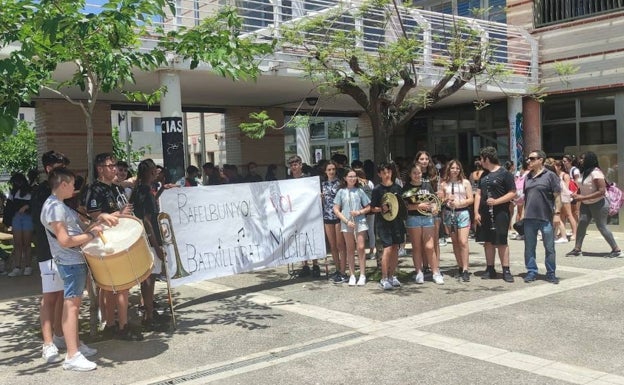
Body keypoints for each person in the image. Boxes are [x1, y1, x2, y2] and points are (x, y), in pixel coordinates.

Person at [41, 167, 118, 371]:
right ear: (64, 184)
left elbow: (77, 229)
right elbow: (65, 240)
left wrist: (97, 221)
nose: (75, 188)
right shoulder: (54, 207)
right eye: (73, 184)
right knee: (72, 307)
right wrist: (92, 236)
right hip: (70, 261)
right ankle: (72, 355)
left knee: (72, 305)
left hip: (73, 260)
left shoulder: (58, 205)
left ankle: (74, 346)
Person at [84, 153, 140, 340]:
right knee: (115, 287)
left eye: (115, 165)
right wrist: (120, 213)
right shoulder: (95, 189)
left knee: (120, 287)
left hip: (120, 239)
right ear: (100, 169)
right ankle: (118, 326)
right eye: (110, 166)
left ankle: (115, 323)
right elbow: (93, 215)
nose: (115, 168)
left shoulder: (116, 188)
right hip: (106, 242)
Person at [31, 151, 70, 363]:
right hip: (48, 252)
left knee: (63, 295)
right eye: (59, 164)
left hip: (64, 251)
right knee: (50, 297)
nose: (63, 167)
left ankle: (59, 335)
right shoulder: (41, 194)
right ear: (49, 169)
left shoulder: (60, 193)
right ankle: (48, 343)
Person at [130, 159, 167, 330]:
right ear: (150, 172)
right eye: (154, 170)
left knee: (149, 278)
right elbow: (147, 219)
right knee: (149, 279)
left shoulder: (141, 189)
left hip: (146, 238)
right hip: (149, 240)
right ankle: (149, 315)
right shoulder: (143, 190)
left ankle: (149, 311)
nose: (157, 172)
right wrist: (157, 247)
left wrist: (161, 190)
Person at [473, 146, 517, 283]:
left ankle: (506, 270)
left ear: (487, 158)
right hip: (485, 213)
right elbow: (479, 194)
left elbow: (513, 192)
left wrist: (497, 201)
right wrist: (476, 212)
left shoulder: (505, 173)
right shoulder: (484, 175)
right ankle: (490, 268)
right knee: (488, 241)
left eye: (481, 158)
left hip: (501, 212)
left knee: (501, 241)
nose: (480, 161)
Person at [567, 151, 621, 258]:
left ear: (589, 160)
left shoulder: (596, 173)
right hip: (586, 204)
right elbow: (583, 187)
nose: (580, 160)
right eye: (580, 158)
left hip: (599, 203)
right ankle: (577, 249)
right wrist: (576, 194)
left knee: (601, 226)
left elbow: (601, 191)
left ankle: (616, 250)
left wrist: (582, 198)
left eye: (583, 158)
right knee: (582, 224)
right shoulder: (583, 172)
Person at [522, 151, 562, 284]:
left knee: (549, 247)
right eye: (529, 159)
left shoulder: (550, 176)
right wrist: (522, 214)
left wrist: (557, 214)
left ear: (541, 160)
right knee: (529, 247)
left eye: (532, 158)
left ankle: (551, 273)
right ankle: (531, 271)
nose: (529, 161)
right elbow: (526, 197)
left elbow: (557, 196)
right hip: (529, 218)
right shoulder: (527, 177)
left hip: (546, 217)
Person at [403, 163, 443, 285]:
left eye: (419, 173)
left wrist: (435, 207)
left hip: (427, 218)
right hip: (413, 218)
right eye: (414, 173)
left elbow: (434, 199)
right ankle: (419, 272)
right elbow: (404, 206)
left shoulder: (426, 184)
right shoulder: (407, 187)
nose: (417, 175)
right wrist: (417, 206)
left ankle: (436, 272)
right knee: (417, 247)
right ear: (410, 174)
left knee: (430, 246)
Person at [370, 162, 406, 290]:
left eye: (389, 172)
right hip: (383, 223)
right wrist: (381, 209)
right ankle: (384, 277)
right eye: (384, 172)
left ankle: (392, 275)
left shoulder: (397, 187)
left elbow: (401, 205)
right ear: (379, 174)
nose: (387, 175)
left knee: (396, 248)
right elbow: (372, 208)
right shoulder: (377, 189)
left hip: (397, 222)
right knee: (387, 248)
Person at [333, 168, 371, 286]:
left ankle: (363, 274)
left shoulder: (360, 191)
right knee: (350, 248)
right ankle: (352, 274)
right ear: (345, 178)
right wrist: (345, 220)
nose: (353, 178)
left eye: (354, 176)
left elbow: (368, 207)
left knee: (360, 247)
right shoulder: (341, 192)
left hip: (360, 221)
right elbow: (336, 209)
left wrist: (359, 212)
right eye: (350, 176)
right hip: (347, 223)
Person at [439, 160, 474, 282]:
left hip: (462, 212)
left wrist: (460, 202)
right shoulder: (443, 184)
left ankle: (465, 269)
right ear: (449, 169)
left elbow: (471, 199)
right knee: (455, 242)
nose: (455, 170)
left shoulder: (465, 183)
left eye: (457, 168)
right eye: (452, 168)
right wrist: (446, 198)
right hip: (449, 213)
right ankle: (460, 266)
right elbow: (440, 200)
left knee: (463, 241)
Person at [287, 155, 320, 277]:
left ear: (301, 165)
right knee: (300, 240)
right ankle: (304, 265)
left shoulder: (308, 179)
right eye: (291, 165)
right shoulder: (288, 182)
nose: (294, 167)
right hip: (296, 215)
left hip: (310, 214)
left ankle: (315, 265)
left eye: (296, 164)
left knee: (312, 239)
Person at [321, 161, 347, 283]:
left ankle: (343, 271)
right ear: (325, 171)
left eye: (333, 169)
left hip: (338, 216)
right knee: (332, 246)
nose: (331, 171)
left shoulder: (340, 184)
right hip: (327, 217)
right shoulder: (323, 184)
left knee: (340, 245)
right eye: (329, 169)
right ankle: (337, 269)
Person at [6, 173, 34, 277]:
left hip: (27, 217)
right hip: (16, 218)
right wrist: (7, 222)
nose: (16, 184)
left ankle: (28, 266)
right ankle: (17, 267)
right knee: (18, 244)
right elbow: (8, 207)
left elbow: (34, 204)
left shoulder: (30, 191)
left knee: (27, 243)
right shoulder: (12, 192)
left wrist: (26, 206)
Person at [354, 168, 376, 260]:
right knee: (371, 230)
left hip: (360, 210)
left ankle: (359, 250)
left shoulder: (355, 183)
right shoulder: (369, 182)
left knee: (358, 231)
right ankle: (372, 251)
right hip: (370, 209)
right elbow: (373, 194)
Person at [554, 159, 577, 241]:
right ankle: (561, 232)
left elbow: (566, 188)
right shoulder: (555, 175)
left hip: (565, 196)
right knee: (561, 215)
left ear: (559, 167)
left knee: (569, 214)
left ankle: (575, 233)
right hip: (558, 197)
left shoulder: (565, 175)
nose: (554, 168)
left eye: (556, 166)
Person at [563, 154, 581, 222]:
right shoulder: (565, 170)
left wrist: (576, 193)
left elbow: (577, 183)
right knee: (570, 211)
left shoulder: (575, 170)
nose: (563, 163)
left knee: (576, 211)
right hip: (568, 193)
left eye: (565, 161)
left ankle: (577, 229)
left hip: (574, 193)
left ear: (570, 162)